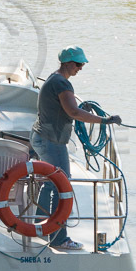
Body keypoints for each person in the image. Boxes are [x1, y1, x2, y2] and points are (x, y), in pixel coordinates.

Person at [31, 46, 120, 250]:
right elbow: (74, 113)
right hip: (52, 141)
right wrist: (104, 120)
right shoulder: (62, 84)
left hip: (41, 136)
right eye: (79, 64)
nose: (81, 68)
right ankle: (59, 238)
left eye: (82, 65)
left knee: (50, 182)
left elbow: (67, 109)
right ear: (68, 63)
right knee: (62, 186)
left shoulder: (54, 79)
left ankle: (40, 223)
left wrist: (81, 109)